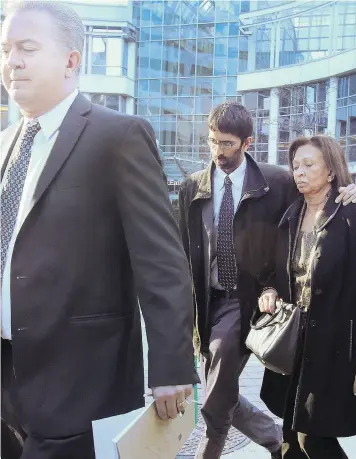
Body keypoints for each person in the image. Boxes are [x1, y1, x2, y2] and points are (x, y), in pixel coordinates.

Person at [0, 2, 199, 458]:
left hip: (81, 380)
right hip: (8, 377)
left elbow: (161, 261)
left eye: (28, 48)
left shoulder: (118, 136)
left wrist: (171, 366)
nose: (12, 61)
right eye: (6, 48)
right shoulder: (6, 144)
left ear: (71, 60)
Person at [178, 103, 356, 459]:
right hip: (205, 302)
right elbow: (183, 252)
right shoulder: (192, 187)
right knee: (219, 388)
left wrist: (349, 193)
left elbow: (319, 201)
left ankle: (209, 452)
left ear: (247, 142)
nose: (219, 151)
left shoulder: (277, 181)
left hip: (247, 298)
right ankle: (278, 443)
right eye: (213, 142)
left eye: (228, 143)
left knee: (216, 398)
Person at [255, 135, 356, 459]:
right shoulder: (290, 215)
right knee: (290, 438)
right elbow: (272, 273)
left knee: (312, 440)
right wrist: (269, 292)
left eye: (309, 164)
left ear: (331, 171)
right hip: (291, 349)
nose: (299, 172)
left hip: (336, 351)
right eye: (295, 166)